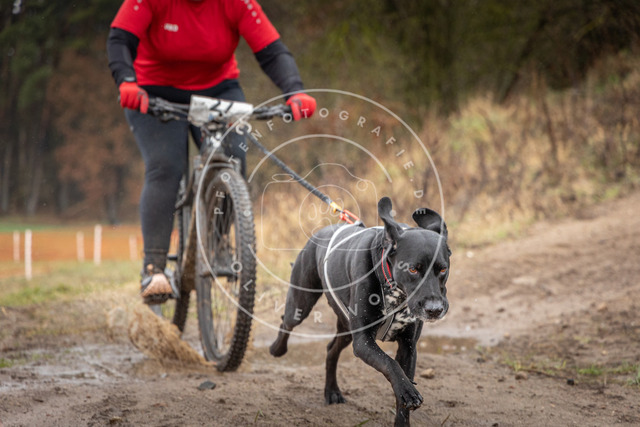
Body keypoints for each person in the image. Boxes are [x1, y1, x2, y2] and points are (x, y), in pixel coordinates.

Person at [107, 0, 316, 304]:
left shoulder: (237, 3)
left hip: (217, 89)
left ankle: (217, 243)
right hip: (153, 90)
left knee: (232, 160)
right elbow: (120, 39)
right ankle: (154, 268)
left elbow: (272, 52)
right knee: (166, 167)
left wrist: (294, 90)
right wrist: (126, 81)